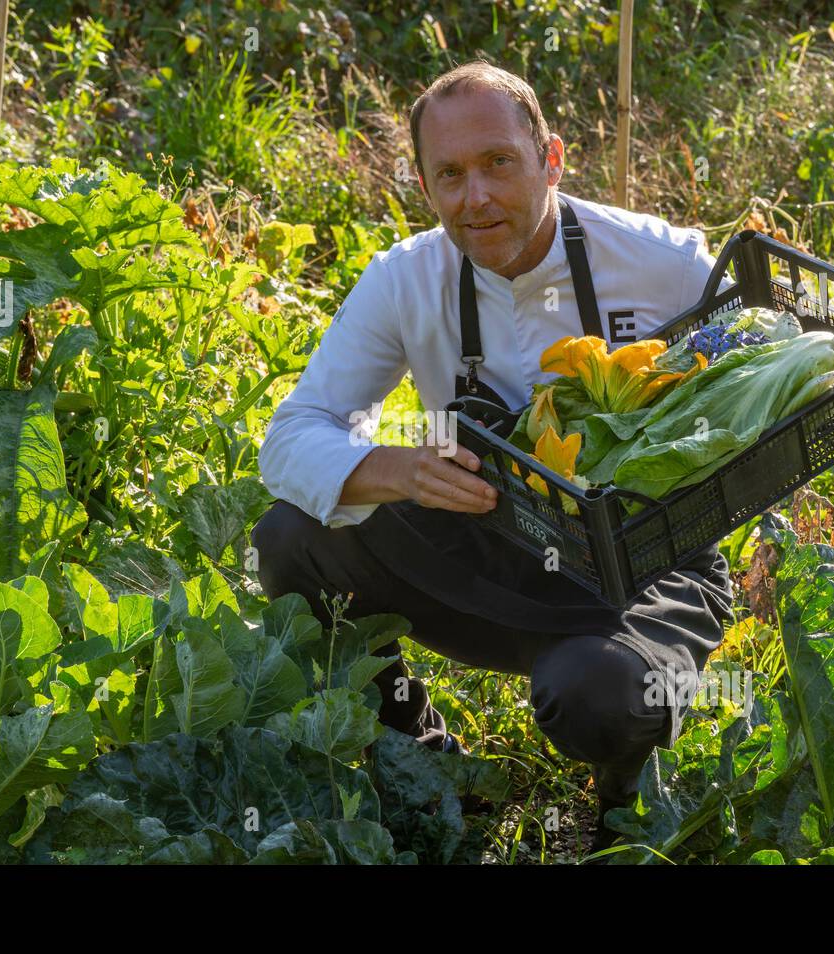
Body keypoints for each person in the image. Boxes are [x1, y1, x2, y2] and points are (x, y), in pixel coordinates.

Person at [250, 58, 735, 854]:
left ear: (551, 158)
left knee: (599, 695)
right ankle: (418, 754)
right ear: (424, 185)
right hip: (485, 545)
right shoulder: (403, 280)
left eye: (498, 164)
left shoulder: (665, 262)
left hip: (645, 559)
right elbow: (295, 433)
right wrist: (400, 470)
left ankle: (624, 792)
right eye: (450, 174)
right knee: (289, 538)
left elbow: (754, 382)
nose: (475, 197)